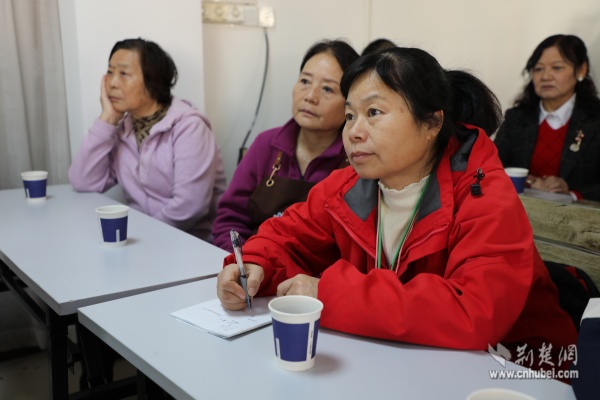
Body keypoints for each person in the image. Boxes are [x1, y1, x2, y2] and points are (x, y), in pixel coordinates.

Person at [217, 47, 577, 371]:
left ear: (432, 123)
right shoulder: (347, 185)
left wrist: (330, 294)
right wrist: (253, 265)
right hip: (403, 361)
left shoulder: (483, 193)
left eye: (373, 112)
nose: (354, 132)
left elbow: (474, 313)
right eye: (350, 116)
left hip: (514, 370)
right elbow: (283, 237)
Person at [69, 38, 226, 242]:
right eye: (110, 72)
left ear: (153, 81)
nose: (112, 83)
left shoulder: (189, 127)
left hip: (190, 244)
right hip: (142, 243)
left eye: (124, 74)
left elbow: (189, 208)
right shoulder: (124, 129)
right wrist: (107, 119)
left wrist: (141, 238)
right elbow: (83, 181)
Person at [212, 40, 359, 252]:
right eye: (305, 81)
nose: (310, 96)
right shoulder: (266, 144)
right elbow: (230, 219)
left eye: (327, 89)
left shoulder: (356, 159)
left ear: (350, 103)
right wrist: (242, 261)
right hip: (253, 264)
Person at [494, 34, 600, 201]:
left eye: (556, 68)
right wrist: (529, 181)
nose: (545, 76)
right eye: (538, 69)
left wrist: (572, 194)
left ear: (581, 70)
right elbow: (492, 166)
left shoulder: (595, 119)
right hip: (520, 210)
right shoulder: (517, 118)